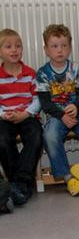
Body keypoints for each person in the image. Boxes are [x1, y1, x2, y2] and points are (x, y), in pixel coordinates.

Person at [36, 24, 79, 196]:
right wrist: (62, 115)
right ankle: (68, 178)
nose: (60, 50)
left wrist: (76, 106)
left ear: (70, 48)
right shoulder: (42, 73)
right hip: (57, 116)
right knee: (49, 136)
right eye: (54, 46)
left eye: (64, 46)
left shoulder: (76, 69)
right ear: (46, 50)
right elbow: (45, 103)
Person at [0, 28, 42, 205]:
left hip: (27, 116)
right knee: (1, 139)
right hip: (5, 117)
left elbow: (38, 99)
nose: (14, 50)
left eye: (18, 46)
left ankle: (20, 183)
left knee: (36, 136)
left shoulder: (30, 73)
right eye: (8, 46)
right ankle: (20, 183)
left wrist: (25, 113)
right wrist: (4, 114)